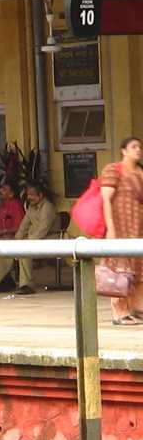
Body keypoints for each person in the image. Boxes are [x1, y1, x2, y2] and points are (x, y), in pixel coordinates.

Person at [0, 182, 58, 294]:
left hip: (49, 240)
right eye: (28, 195)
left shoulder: (48, 208)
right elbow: (23, 227)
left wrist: (25, 243)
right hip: (33, 240)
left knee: (24, 252)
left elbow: (42, 230)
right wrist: (16, 242)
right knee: (8, 252)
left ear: (40, 195)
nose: (29, 197)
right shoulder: (31, 208)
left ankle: (26, 285)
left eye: (32, 195)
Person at [100, 137, 143, 325]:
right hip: (119, 227)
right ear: (123, 151)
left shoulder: (141, 172)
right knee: (119, 271)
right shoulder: (113, 170)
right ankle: (120, 312)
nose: (138, 150)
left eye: (140, 147)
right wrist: (110, 228)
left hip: (138, 227)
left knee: (138, 270)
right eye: (134, 147)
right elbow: (106, 199)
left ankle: (137, 308)